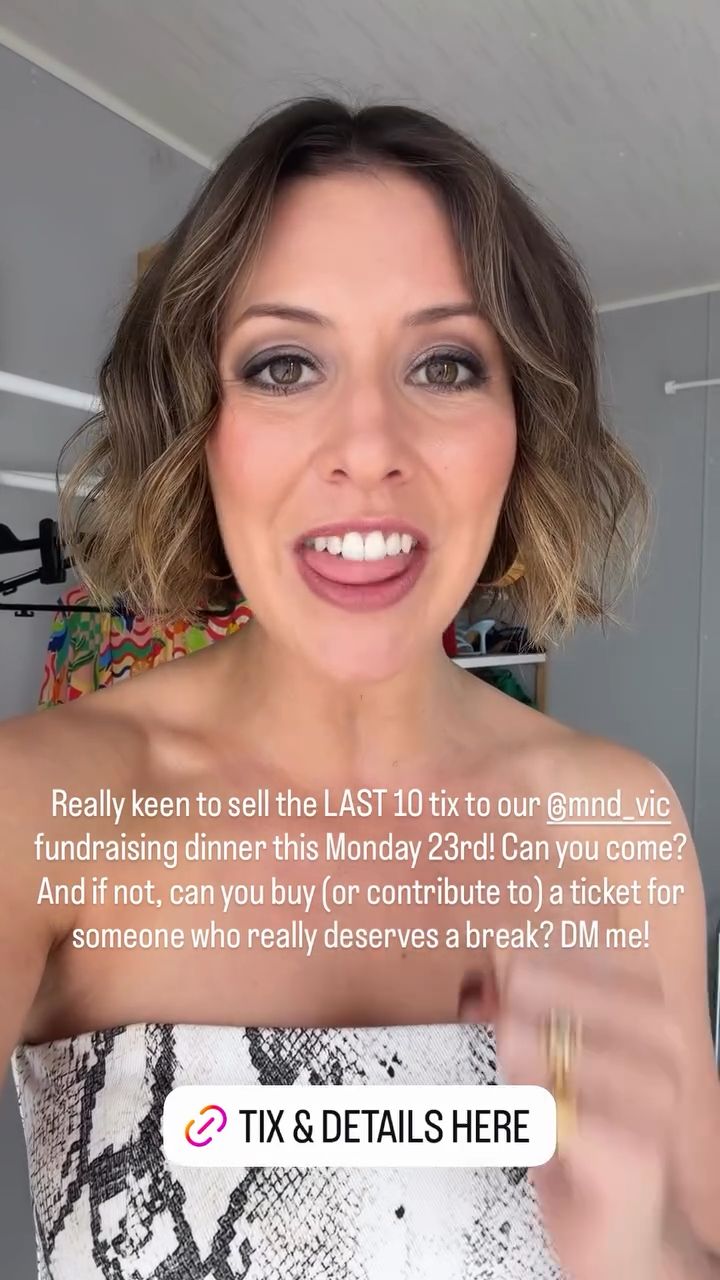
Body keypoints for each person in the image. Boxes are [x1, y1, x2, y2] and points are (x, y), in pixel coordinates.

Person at [1, 96, 719, 1280]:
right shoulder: (37, 808)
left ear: (520, 425)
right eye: (285, 365)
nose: (371, 444)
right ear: (200, 424)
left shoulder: (619, 821)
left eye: (445, 363)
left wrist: (636, 1242)